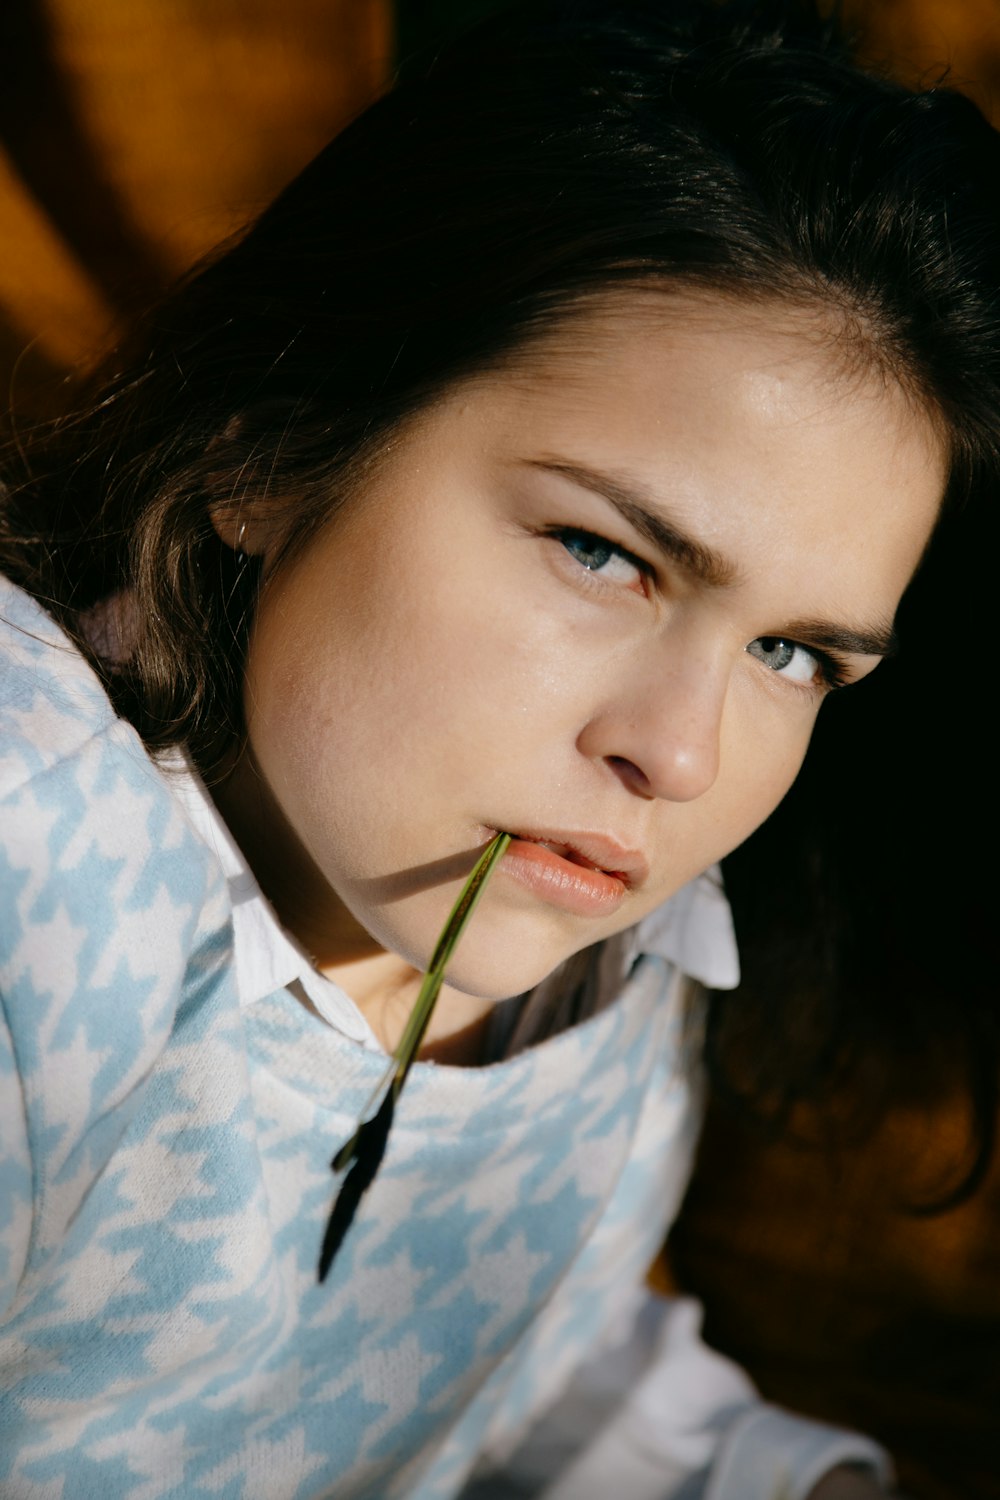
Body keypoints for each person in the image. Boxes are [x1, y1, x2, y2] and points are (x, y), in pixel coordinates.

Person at [1, 2, 998, 1496]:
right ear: (267, 448)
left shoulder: (618, 964)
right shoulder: (30, 850)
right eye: (604, 554)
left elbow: (516, 1363)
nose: (678, 755)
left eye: (794, 655)